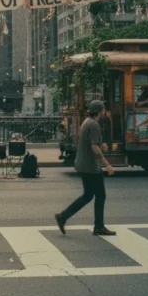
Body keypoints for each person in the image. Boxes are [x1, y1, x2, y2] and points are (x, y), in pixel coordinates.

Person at [54, 100, 116, 237]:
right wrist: (107, 164)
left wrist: (101, 147)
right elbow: (94, 147)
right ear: (101, 111)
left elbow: (92, 145)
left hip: (83, 164)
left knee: (88, 195)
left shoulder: (86, 122)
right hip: (91, 166)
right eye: (104, 110)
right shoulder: (94, 125)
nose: (104, 112)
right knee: (100, 195)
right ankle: (98, 226)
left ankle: (63, 216)